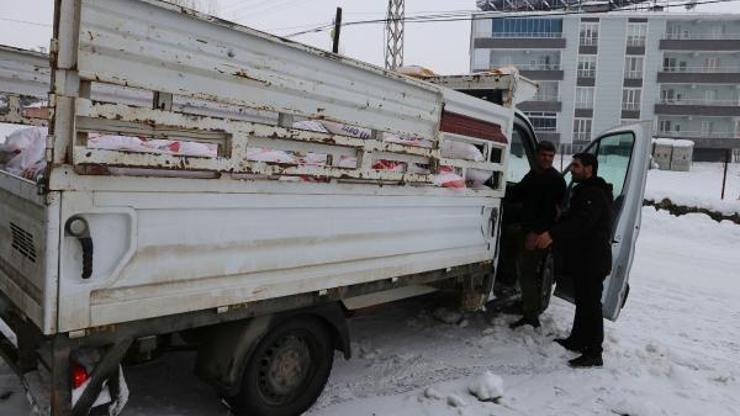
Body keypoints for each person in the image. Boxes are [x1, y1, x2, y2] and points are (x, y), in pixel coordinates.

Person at [535, 152, 614, 368]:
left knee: (591, 305)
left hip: (593, 260)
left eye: (577, 166)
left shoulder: (594, 194)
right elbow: (576, 218)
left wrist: (553, 234)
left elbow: (581, 223)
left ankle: (594, 352)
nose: (572, 169)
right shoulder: (587, 191)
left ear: (589, 169)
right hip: (584, 258)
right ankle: (578, 340)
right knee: (583, 301)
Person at [506, 140, 566, 329]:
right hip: (527, 229)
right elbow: (518, 194)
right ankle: (527, 303)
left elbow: (551, 213)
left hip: (539, 234)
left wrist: (536, 233)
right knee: (524, 270)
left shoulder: (554, 180)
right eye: (544, 155)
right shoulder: (534, 175)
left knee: (529, 274)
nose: (547, 159)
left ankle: (531, 315)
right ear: (536, 155)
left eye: (550, 156)